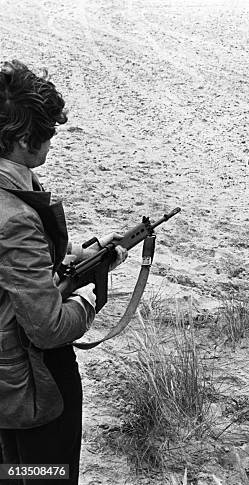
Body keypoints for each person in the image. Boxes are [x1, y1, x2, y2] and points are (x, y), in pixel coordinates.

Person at [0, 60, 126, 483]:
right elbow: (49, 329)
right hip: (31, 385)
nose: (50, 143)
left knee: (12, 473)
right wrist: (89, 294)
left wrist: (72, 256)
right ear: (21, 139)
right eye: (47, 133)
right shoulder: (16, 215)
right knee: (43, 475)